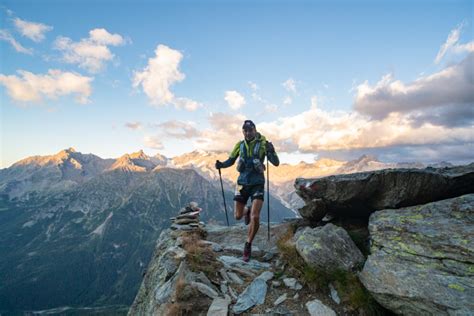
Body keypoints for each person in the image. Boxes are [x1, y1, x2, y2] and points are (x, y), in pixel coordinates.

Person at [215, 120, 279, 262]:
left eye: (250, 130)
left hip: (257, 183)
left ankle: (248, 244)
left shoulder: (263, 144)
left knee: (255, 217)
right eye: (245, 130)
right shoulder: (240, 145)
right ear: (243, 131)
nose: (248, 132)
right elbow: (231, 161)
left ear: (255, 130)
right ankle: (247, 210)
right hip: (242, 183)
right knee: (238, 216)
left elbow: (276, 162)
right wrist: (221, 165)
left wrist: (272, 151)